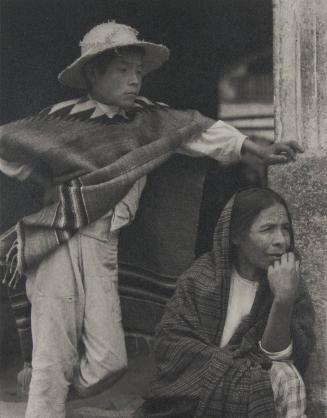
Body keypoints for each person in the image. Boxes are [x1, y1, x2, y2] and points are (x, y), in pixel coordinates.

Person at [0, 22, 304, 418]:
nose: (133, 80)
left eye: (138, 72)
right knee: (54, 353)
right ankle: (43, 394)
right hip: (57, 239)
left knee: (109, 360)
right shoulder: (62, 118)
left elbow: (201, 131)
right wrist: (46, 176)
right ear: (93, 73)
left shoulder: (149, 119)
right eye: (122, 70)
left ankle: (36, 390)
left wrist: (254, 148)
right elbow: (11, 148)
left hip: (102, 244)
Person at [135, 187, 315, 418]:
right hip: (192, 396)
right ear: (236, 235)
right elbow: (172, 347)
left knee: (287, 377)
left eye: (286, 229)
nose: (281, 240)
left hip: (251, 387)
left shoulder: (290, 283)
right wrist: (234, 371)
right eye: (267, 229)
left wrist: (283, 299)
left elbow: (276, 359)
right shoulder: (200, 279)